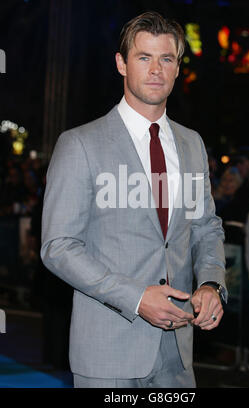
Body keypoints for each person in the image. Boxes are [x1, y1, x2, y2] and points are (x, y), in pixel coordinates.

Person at [41, 11, 227, 389]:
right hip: (108, 353)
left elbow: (205, 227)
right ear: (122, 63)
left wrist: (211, 283)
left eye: (167, 58)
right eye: (144, 57)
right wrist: (136, 298)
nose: (156, 69)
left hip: (178, 354)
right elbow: (58, 246)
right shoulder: (81, 145)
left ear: (177, 68)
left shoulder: (191, 144)